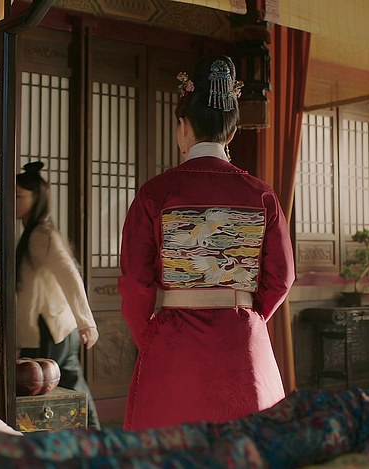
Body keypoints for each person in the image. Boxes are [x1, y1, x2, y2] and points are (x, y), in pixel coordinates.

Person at [118, 55, 296, 431]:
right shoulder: (261, 195)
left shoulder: (155, 193)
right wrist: (247, 315)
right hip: (243, 344)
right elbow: (282, 277)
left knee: (170, 447)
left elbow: (135, 280)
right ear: (231, 134)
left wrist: (150, 336)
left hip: (174, 343)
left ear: (183, 127)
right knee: (247, 446)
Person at [15, 161, 101, 430]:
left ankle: (88, 440)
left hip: (50, 330)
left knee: (44, 398)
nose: (13, 202)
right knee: (75, 389)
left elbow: (70, 275)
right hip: (57, 328)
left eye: (19, 196)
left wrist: (87, 322)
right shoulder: (36, 232)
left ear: (37, 198)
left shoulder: (41, 234)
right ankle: (96, 439)